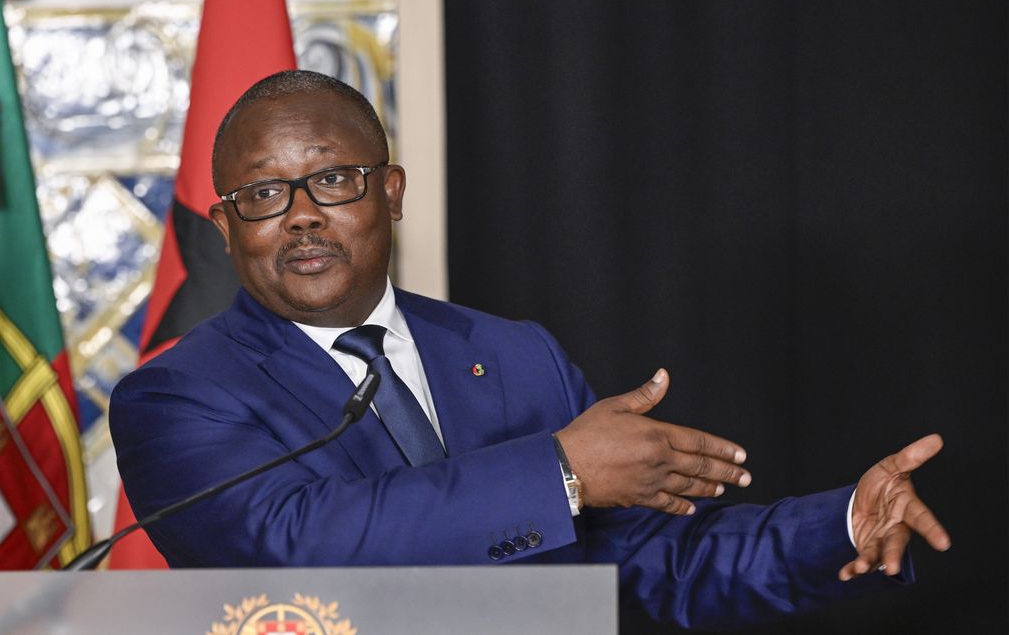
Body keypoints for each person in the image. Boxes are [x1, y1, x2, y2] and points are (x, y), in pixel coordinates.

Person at [109, 70, 949, 630]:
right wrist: (561, 472)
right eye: (262, 193)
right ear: (226, 229)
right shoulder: (174, 395)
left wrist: (839, 522)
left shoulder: (514, 355)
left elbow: (650, 563)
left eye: (332, 180)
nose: (301, 214)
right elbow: (294, 547)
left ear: (389, 193)